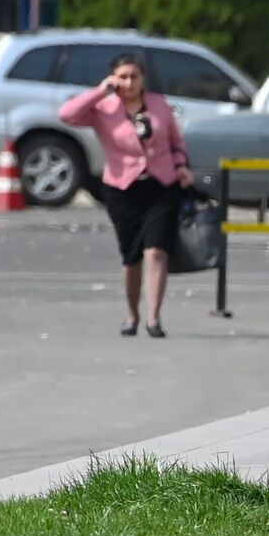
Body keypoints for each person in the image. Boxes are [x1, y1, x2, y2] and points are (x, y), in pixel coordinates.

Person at [59, 53, 193, 337]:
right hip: (123, 188)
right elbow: (67, 115)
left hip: (161, 184)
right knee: (131, 257)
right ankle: (132, 315)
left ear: (143, 78)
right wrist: (100, 91)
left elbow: (175, 143)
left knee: (156, 251)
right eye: (123, 76)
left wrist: (181, 166)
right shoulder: (104, 108)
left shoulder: (159, 105)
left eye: (134, 76)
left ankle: (154, 318)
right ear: (114, 78)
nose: (129, 82)